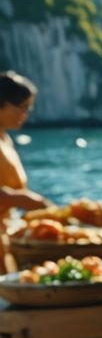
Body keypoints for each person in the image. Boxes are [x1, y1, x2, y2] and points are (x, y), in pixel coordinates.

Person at [0, 72, 50, 270]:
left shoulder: (5, 139)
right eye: (22, 107)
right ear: (2, 103)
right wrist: (19, 199)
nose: (26, 114)